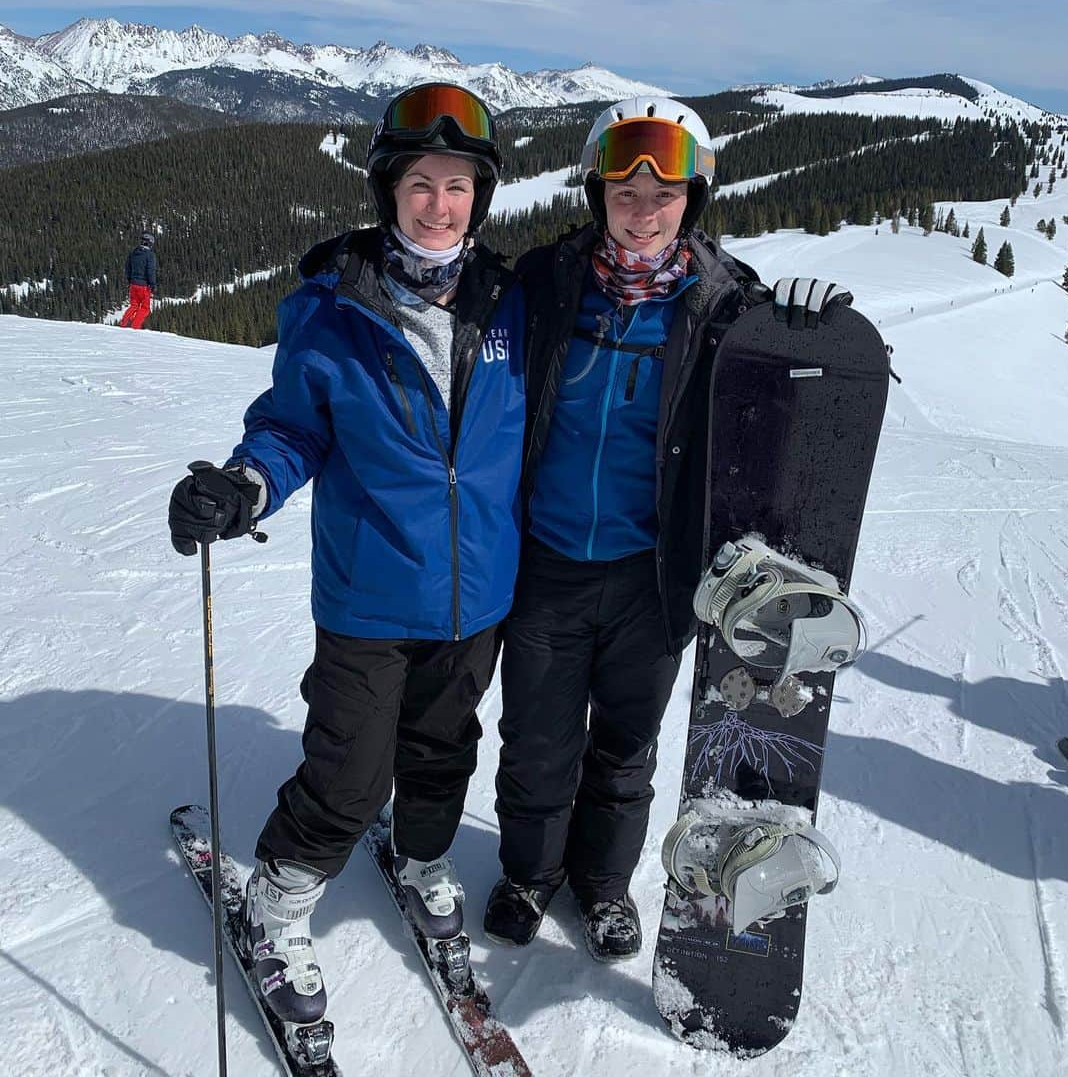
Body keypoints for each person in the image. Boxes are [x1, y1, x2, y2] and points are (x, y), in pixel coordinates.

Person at [166, 83, 525, 1039]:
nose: (439, 204)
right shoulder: (332, 307)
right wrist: (245, 485)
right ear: (388, 191)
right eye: (420, 182)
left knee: (444, 750)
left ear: (480, 197)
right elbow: (291, 427)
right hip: (371, 589)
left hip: (479, 592)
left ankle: (419, 856)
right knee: (351, 769)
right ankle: (276, 903)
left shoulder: (516, 305)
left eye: (458, 185)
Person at [484, 97, 851, 961]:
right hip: (547, 562)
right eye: (625, 191)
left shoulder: (726, 306)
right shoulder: (546, 285)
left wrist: (808, 325)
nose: (643, 210)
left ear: (693, 200)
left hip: (654, 576)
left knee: (624, 745)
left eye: (664, 194)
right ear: (596, 194)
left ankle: (602, 885)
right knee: (537, 739)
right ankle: (529, 873)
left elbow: (789, 404)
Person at [119, 232, 157, 328]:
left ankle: (123, 324)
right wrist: (152, 284)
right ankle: (135, 327)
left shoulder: (133, 253)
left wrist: (130, 280)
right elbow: (150, 271)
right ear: (150, 243)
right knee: (145, 308)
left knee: (134, 306)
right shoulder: (150, 255)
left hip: (133, 284)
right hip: (143, 286)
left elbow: (127, 267)